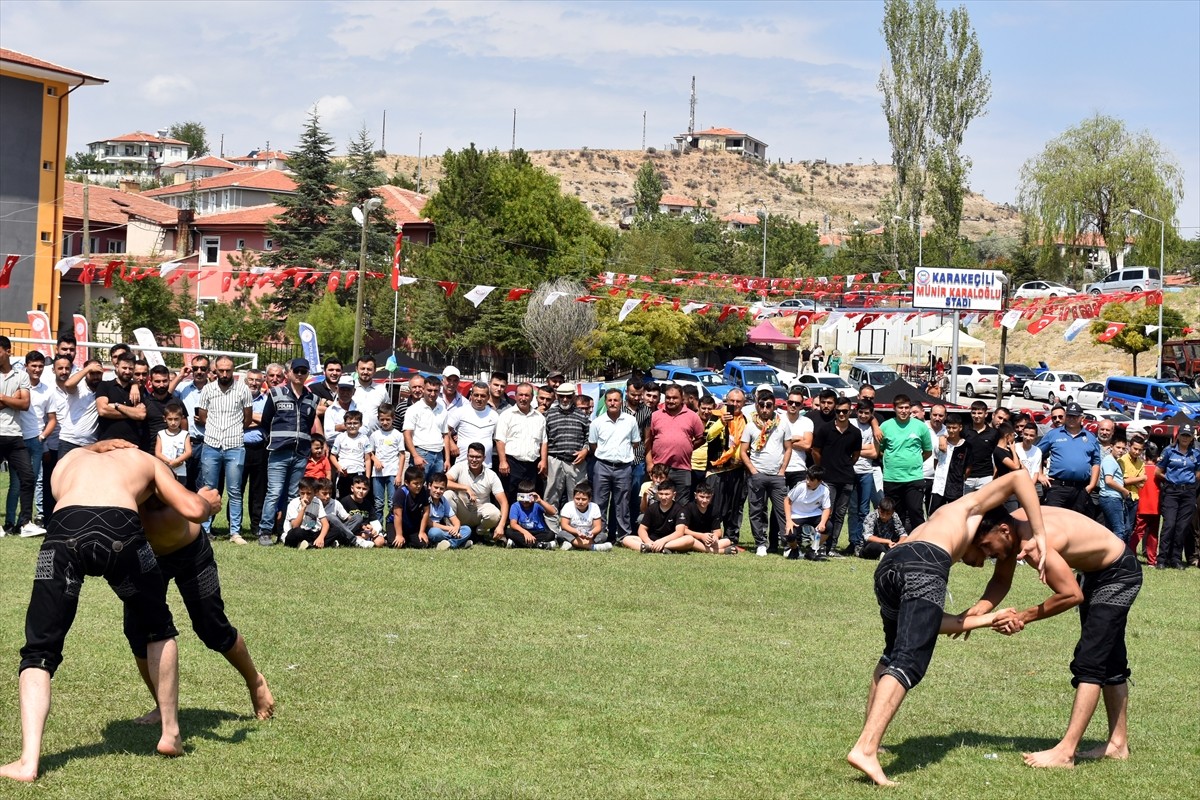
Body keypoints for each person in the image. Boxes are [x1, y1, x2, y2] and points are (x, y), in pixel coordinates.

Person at [1, 445, 219, 782]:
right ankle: (171, 734)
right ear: (125, 448)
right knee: (157, 628)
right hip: (121, 530)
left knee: (39, 650)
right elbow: (192, 508)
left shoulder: (69, 460)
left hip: (63, 535)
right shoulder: (144, 460)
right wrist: (208, 502)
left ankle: (28, 761)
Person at [846, 471, 1046, 786]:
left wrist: (985, 617)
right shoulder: (970, 507)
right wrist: (1039, 534)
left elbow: (931, 625)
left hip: (890, 564)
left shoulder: (939, 523)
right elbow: (1020, 477)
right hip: (924, 563)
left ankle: (871, 740)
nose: (984, 560)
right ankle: (865, 749)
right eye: (990, 552)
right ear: (998, 528)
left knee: (894, 653)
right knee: (909, 661)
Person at [971, 506, 1140, 770]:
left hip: (1118, 574)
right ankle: (1118, 744)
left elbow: (1071, 595)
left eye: (985, 545)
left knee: (1090, 661)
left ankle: (1066, 751)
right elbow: (1001, 581)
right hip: (1097, 573)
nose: (986, 553)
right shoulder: (1014, 526)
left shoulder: (1034, 543)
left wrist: (1023, 616)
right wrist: (973, 615)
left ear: (1003, 531)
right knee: (1110, 659)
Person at [127, 476, 275, 725]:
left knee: (212, 627)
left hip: (191, 553)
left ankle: (255, 680)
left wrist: (205, 502)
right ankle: (162, 708)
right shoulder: (120, 491)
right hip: (147, 558)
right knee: (139, 631)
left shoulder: (164, 488)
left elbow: (206, 502)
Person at [257, 359, 320, 547]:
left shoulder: (312, 398)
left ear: (307, 374)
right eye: (297, 371)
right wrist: (275, 440)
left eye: (304, 371)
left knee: (294, 494)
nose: (300, 374)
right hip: (279, 451)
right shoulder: (275, 394)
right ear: (289, 373)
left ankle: (286, 531)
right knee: (274, 492)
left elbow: (309, 425)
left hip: (301, 453)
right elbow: (266, 421)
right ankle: (265, 531)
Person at [197, 355, 253, 543]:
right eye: (221, 370)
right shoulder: (208, 389)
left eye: (228, 370)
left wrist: (234, 431)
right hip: (211, 444)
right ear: (215, 370)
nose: (224, 373)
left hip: (235, 445)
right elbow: (203, 416)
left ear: (233, 370)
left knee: (235, 491)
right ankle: (205, 529)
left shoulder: (243, 390)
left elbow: (247, 418)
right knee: (209, 489)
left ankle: (235, 532)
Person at [5, 351, 56, 536]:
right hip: (15, 438)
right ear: (26, 365)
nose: (37, 369)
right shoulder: (17, 384)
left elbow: (52, 419)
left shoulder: (47, 389)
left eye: (40, 366)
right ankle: (10, 522)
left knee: (32, 482)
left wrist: (41, 438)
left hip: (34, 441)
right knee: (15, 484)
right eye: (33, 365)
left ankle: (24, 522)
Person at [741, 385, 793, 557]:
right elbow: (743, 451)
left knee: (782, 511)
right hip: (758, 475)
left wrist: (782, 470)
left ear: (774, 406)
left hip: (777, 476)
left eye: (768, 405)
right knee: (756, 510)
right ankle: (760, 543)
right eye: (762, 405)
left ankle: (786, 544)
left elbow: (788, 448)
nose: (765, 409)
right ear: (757, 405)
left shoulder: (782, 424)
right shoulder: (750, 426)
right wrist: (753, 471)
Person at [810, 396, 861, 559]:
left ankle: (832, 547)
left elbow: (855, 455)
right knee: (827, 513)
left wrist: (845, 465)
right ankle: (820, 545)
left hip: (846, 479)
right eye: (838, 411)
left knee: (840, 514)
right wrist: (822, 468)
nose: (841, 414)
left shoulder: (855, 432)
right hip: (828, 479)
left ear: (850, 411)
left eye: (844, 411)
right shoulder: (825, 429)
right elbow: (815, 451)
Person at [589, 388, 639, 543]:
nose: (612, 403)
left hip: (623, 467)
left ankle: (623, 536)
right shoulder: (597, 422)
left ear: (621, 401)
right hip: (602, 466)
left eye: (615, 400)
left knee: (622, 503)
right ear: (605, 402)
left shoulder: (630, 420)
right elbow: (593, 445)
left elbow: (635, 442)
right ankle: (600, 534)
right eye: (609, 400)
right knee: (600, 502)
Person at [0, 335, 39, 538]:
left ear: (8, 351)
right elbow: (19, 401)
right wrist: (12, 398)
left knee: (28, 477)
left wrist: (3, 398)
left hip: (15, 435)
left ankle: (25, 523)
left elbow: (25, 405)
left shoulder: (21, 375)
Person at [1037, 402, 1101, 516]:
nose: (1072, 419)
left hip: (1081, 488)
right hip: (1057, 487)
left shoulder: (1090, 437)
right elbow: (1036, 453)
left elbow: (1096, 462)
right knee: (1052, 520)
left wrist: (1091, 486)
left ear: (1082, 418)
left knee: (1076, 523)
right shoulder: (1054, 434)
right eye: (1069, 416)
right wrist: (1040, 474)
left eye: (1075, 416)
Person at [645, 384, 704, 507]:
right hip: (660, 468)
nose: (671, 401)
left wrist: (687, 447)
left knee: (681, 506)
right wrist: (650, 463)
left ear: (682, 398)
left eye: (674, 398)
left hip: (683, 469)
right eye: (668, 397)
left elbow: (701, 438)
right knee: (658, 503)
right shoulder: (655, 415)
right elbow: (648, 441)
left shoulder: (692, 416)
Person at [1154, 423, 1199, 570]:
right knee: (1169, 524)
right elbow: (1158, 472)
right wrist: (1171, 479)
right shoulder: (1169, 451)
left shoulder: (1196, 454)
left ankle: (1176, 559)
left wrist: (1188, 481)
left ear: (1192, 437)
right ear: (1178, 436)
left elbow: (1198, 474)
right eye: (1183, 435)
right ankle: (1162, 558)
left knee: (1182, 527)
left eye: (1188, 435)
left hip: (1188, 493)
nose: (1185, 438)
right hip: (1171, 492)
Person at [494, 383, 547, 504]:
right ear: (516, 396)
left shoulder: (539, 417)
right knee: (509, 493)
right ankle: (507, 519)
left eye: (527, 395)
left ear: (532, 397)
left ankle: (522, 519)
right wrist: (503, 461)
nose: (523, 398)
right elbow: (500, 440)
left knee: (527, 495)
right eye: (521, 395)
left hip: (532, 464)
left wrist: (543, 461)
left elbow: (543, 441)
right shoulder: (506, 415)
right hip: (512, 463)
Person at [445, 442, 508, 544]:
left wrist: (501, 526)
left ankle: (479, 534)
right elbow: (444, 482)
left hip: (479, 511)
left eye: (478, 457)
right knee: (447, 495)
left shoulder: (491, 475)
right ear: (467, 456)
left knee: (495, 514)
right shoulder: (459, 467)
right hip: (462, 510)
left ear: (484, 458)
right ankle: (451, 531)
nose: (474, 460)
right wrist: (466, 488)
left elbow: (504, 502)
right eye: (471, 456)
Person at [709, 388, 748, 547]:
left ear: (744, 403)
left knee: (735, 506)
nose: (735, 404)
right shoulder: (716, 416)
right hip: (717, 469)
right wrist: (722, 423)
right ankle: (713, 538)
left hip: (738, 469)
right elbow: (708, 435)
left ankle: (732, 539)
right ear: (726, 401)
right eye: (732, 401)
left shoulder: (746, 419)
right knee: (715, 505)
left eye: (739, 401)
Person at [542, 383, 589, 509]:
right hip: (554, 460)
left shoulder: (582, 415)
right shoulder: (548, 414)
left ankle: (574, 527)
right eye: (562, 396)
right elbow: (543, 439)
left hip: (576, 462)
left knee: (579, 497)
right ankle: (551, 527)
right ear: (557, 396)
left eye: (568, 396)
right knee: (551, 496)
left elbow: (589, 437)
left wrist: (585, 450)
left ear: (573, 396)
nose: (565, 399)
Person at [622, 480, 695, 553]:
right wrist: (648, 541)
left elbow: (679, 532)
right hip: (652, 540)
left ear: (674, 494)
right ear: (657, 494)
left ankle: (657, 548)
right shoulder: (652, 508)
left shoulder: (680, 509)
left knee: (690, 539)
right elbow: (642, 529)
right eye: (661, 494)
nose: (663, 497)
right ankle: (654, 548)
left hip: (670, 541)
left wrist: (662, 541)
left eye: (667, 494)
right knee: (627, 539)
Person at [444, 381, 500, 468]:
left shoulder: (494, 415)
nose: (479, 398)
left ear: (488, 397)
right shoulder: (461, 411)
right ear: (471, 395)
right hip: (462, 463)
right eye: (476, 395)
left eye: (483, 396)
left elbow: (498, 438)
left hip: (486, 465)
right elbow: (445, 429)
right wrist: (452, 444)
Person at [403, 375, 447, 480]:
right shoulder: (414, 409)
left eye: (436, 391)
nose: (432, 394)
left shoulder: (442, 409)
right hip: (421, 452)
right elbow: (407, 434)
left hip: (439, 454)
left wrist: (447, 459)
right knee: (416, 486)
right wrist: (415, 456)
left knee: (436, 488)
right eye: (429, 390)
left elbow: (446, 435)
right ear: (424, 389)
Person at [783, 466, 831, 560]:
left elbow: (826, 508)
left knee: (828, 527)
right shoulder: (801, 486)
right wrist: (788, 520)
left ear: (819, 481)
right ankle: (794, 550)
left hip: (813, 513)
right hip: (796, 514)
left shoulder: (825, 489)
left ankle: (812, 551)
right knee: (790, 533)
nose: (808, 482)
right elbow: (787, 501)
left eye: (812, 480)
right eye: (807, 478)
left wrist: (822, 523)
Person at [680, 480, 736, 554]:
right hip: (692, 538)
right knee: (690, 540)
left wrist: (714, 537)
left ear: (712, 496)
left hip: (707, 540)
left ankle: (701, 548)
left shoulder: (714, 509)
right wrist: (701, 536)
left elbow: (718, 531)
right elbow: (683, 530)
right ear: (695, 495)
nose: (705, 500)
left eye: (708, 497)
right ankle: (719, 551)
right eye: (702, 497)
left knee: (727, 541)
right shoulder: (688, 508)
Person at [370, 403, 404, 522]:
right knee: (378, 503)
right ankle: (378, 530)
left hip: (392, 472)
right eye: (382, 419)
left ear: (393, 418)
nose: (384, 422)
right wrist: (376, 460)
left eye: (387, 419)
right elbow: (370, 452)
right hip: (377, 474)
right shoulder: (375, 435)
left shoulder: (398, 435)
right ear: (378, 419)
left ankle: (391, 528)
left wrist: (399, 475)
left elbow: (402, 454)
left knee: (392, 502)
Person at [329, 410, 373, 499]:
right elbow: (332, 455)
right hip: (344, 474)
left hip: (358, 472)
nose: (352, 426)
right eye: (349, 423)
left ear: (360, 424)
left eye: (355, 423)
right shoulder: (340, 437)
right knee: (342, 498)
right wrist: (338, 467)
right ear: (345, 424)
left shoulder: (364, 438)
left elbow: (367, 459)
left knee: (358, 498)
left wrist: (367, 478)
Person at [556, 481, 612, 552]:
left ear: (589, 499)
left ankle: (574, 545)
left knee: (603, 536)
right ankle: (592, 547)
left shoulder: (594, 507)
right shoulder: (568, 506)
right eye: (577, 499)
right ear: (573, 498)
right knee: (561, 534)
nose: (580, 502)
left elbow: (598, 526)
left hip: (589, 536)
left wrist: (591, 533)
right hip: (573, 534)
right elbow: (564, 525)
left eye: (584, 499)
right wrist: (576, 532)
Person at [423, 471, 472, 550]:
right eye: (436, 487)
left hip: (443, 530)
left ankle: (449, 544)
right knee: (434, 533)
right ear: (429, 486)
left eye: (441, 488)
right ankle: (459, 544)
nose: (438, 491)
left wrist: (455, 528)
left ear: (445, 489)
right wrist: (449, 528)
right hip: (431, 529)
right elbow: (428, 523)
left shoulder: (443, 500)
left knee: (467, 529)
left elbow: (454, 519)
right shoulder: (425, 499)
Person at [506, 480, 557, 549]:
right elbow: (513, 524)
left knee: (551, 534)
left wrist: (540, 501)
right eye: (522, 497)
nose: (525, 501)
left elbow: (553, 512)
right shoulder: (515, 506)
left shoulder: (537, 504)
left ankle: (518, 544)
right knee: (508, 532)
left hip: (538, 532)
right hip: (522, 532)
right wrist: (526, 533)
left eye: (528, 497)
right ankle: (540, 545)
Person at [281, 476, 328, 549]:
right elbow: (295, 526)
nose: (305, 497)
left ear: (315, 493)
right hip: (296, 532)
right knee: (296, 532)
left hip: (310, 532)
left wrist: (321, 537)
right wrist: (303, 508)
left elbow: (325, 524)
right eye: (302, 493)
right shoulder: (293, 503)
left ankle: (309, 544)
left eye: (309, 493)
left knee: (334, 529)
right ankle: (313, 544)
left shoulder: (317, 502)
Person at [1097, 438, 1130, 541]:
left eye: (1123, 449)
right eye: (1118, 447)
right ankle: (1118, 556)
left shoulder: (1116, 461)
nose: (1120, 450)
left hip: (1113, 498)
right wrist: (1124, 490)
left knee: (1114, 529)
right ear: (1111, 447)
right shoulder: (1109, 461)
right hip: (1111, 498)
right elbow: (1109, 480)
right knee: (1119, 530)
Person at [389, 466, 430, 549]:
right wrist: (399, 535)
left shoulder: (424, 491)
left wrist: (421, 532)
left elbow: (426, 512)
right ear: (407, 483)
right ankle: (390, 536)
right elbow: (397, 515)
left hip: (412, 525)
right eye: (415, 483)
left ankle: (408, 539)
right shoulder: (401, 493)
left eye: (421, 483)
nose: (419, 486)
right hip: (395, 523)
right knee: (396, 544)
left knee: (423, 544)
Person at [857, 496, 909, 560]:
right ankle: (889, 555)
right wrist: (887, 541)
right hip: (870, 546)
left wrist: (898, 544)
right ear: (878, 508)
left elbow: (903, 534)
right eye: (882, 512)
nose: (884, 516)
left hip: (888, 545)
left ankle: (888, 554)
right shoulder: (872, 516)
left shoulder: (894, 516)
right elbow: (868, 537)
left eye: (888, 514)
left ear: (892, 512)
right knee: (875, 546)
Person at [350, 355, 388, 434]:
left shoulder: (381, 390)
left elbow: (387, 413)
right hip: (352, 438)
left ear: (374, 371)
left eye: (369, 369)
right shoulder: (348, 389)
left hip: (375, 438)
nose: (365, 372)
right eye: (362, 368)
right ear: (356, 369)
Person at [155, 402, 191, 484]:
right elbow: (157, 452)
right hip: (164, 470)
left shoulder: (185, 434)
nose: (173, 422)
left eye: (176, 419)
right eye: (170, 419)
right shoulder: (161, 434)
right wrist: (169, 462)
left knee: (180, 493)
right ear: (165, 419)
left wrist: (177, 461)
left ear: (181, 418)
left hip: (180, 472)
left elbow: (188, 452)